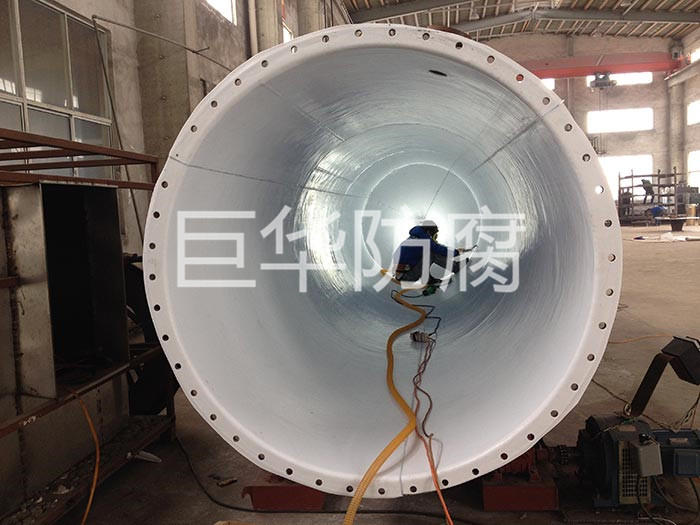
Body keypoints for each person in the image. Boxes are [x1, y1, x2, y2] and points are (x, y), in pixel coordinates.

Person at [393, 220, 468, 288]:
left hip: (402, 275)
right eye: (434, 234)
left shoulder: (414, 238)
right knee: (432, 254)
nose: (434, 238)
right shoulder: (424, 240)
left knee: (425, 254)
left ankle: (428, 279)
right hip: (407, 277)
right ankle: (455, 267)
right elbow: (437, 249)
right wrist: (456, 252)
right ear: (429, 231)